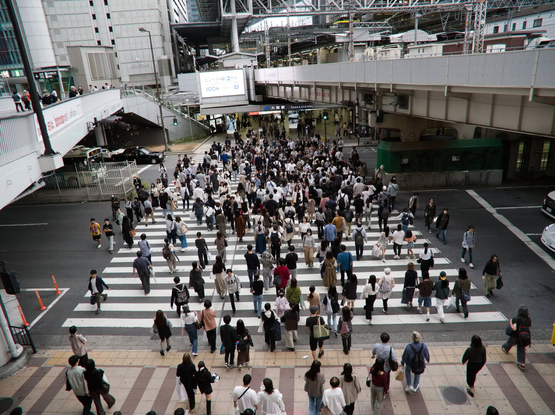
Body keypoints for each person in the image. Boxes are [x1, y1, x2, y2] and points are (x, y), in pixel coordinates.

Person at [502, 305, 532, 371]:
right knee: (521, 348)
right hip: (525, 336)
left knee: (511, 341)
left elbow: (514, 328)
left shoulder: (516, 318)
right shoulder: (528, 319)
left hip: (516, 335)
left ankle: (505, 348)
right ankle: (522, 364)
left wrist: (510, 322)